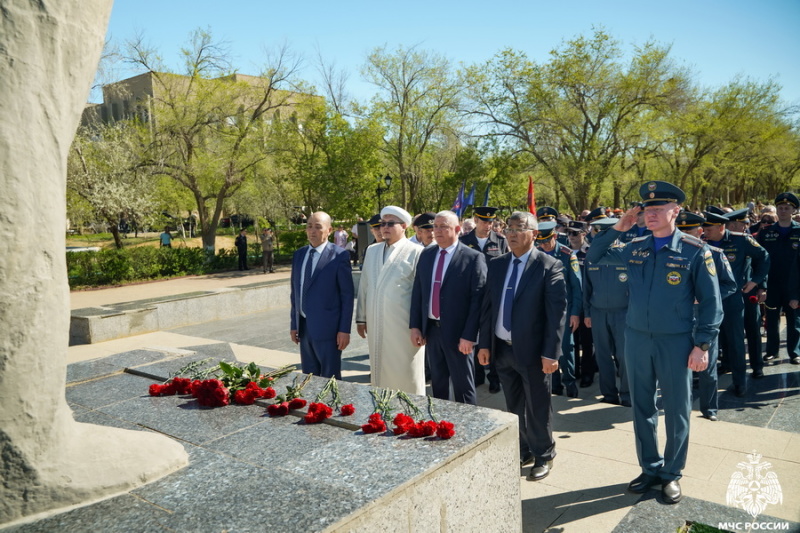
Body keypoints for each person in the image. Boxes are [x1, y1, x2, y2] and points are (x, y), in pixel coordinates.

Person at [586, 180, 722, 505]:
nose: (651, 214)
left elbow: (712, 303)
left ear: (676, 211)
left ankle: (672, 473)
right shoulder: (635, 247)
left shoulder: (693, 250)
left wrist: (702, 346)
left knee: (676, 410)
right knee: (642, 406)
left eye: (659, 209)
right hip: (636, 339)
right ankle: (650, 468)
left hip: (675, 342)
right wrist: (619, 227)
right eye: (647, 209)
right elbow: (595, 254)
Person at [477, 211, 565, 481]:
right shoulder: (498, 264)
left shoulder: (550, 266)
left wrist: (551, 353)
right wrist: (485, 344)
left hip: (534, 352)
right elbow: (488, 307)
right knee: (514, 405)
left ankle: (544, 454)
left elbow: (556, 315)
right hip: (502, 349)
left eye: (519, 228)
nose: (512, 233)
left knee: (538, 406)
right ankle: (523, 449)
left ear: (534, 234)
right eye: (509, 228)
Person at [410, 210, 487, 405]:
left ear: (458, 229)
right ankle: (441, 423)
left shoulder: (473, 258)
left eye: (443, 226)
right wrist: (416, 326)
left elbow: (477, 301)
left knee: (463, 386)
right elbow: (418, 292)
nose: (437, 231)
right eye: (435, 226)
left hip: (459, 334)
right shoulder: (427, 255)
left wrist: (469, 335)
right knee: (438, 384)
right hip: (433, 331)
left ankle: (468, 426)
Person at [356, 206, 426, 395]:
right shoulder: (372, 250)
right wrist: (361, 318)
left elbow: (422, 294)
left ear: (404, 226)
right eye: (382, 224)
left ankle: (412, 416)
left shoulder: (416, 251)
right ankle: (383, 411)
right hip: (376, 323)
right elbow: (364, 286)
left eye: (390, 224)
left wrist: (419, 326)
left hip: (405, 327)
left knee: (407, 373)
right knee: (380, 373)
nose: (384, 227)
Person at [678, 210, 737, 421]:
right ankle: (678, 407)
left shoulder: (713, 253)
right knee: (677, 367)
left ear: (700, 231)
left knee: (707, 366)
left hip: (705, 317)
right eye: (681, 230)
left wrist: (707, 297)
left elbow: (730, 285)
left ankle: (709, 409)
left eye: (690, 230)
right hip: (678, 319)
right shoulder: (670, 254)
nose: (686, 234)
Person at [703, 209, 770, 391]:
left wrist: (755, 281)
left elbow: (764, 257)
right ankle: (711, 376)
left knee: (736, 340)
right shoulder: (702, 242)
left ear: (720, 227)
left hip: (733, 298)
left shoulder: (740, 240)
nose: (705, 232)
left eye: (708, 229)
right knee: (712, 338)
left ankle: (740, 381)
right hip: (709, 298)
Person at [289, 211, 354, 379]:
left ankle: (329, 406)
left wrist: (344, 330)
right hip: (304, 329)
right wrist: (294, 324)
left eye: (318, 227)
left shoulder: (339, 256)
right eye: (309, 226)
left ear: (329, 230)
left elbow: (347, 297)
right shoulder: (299, 255)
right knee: (309, 378)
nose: (312, 231)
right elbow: (295, 292)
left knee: (329, 378)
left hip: (329, 331)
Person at [583, 215, 630, 406]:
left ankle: (627, 395)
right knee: (602, 357)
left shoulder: (626, 252)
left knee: (624, 357)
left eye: (606, 232)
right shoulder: (592, 256)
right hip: (598, 312)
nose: (600, 235)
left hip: (623, 313)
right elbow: (586, 287)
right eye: (598, 232)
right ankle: (609, 395)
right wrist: (587, 313)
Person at [460, 206, 508, 393]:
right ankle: (477, 373)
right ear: (476, 220)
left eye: (491, 222)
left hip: (493, 294)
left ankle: (494, 377)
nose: (488, 225)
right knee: (472, 332)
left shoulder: (500, 241)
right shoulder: (464, 241)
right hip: (471, 294)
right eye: (484, 221)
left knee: (491, 335)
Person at [535, 220, 582, 398]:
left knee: (566, 349)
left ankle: (569, 383)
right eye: (540, 242)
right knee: (547, 347)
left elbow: (577, 287)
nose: (544, 245)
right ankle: (554, 385)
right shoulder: (536, 253)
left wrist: (576, 312)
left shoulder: (567, 254)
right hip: (543, 310)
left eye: (547, 241)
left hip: (565, 309)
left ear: (554, 236)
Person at [756, 192, 800, 366]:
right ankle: (772, 351)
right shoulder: (766, 233)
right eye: (780, 208)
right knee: (771, 319)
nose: (783, 211)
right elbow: (759, 260)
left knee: (794, 320)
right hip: (772, 283)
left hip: (793, 284)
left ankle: (795, 352)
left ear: (793, 210)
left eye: (787, 208)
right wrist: (761, 285)